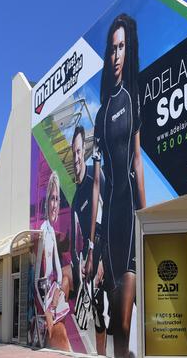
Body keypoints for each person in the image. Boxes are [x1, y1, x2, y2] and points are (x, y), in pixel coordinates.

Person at [87, 13, 146, 358]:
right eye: (112, 49)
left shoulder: (132, 97)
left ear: (128, 50)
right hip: (109, 229)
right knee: (116, 328)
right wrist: (94, 245)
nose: (117, 55)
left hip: (131, 218)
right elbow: (96, 183)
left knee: (125, 322)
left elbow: (136, 162)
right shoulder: (100, 114)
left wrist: (146, 216)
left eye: (122, 47)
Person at [70, 124, 108, 354]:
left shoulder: (96, 176)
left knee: (116, 311)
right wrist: (83, 266)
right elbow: (78, 243)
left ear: (83, 150)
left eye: (78, 152)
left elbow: (109, 217)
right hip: (90, 267)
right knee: (97, 315)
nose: (76, 158)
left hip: (107, 256)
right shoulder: (75, 199)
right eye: (73, 153)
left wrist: (103, 260)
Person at [34, 171, 71, 351]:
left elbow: (57, 269)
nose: (55, 205)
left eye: (57, 199)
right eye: (52, 199)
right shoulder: (43, 232)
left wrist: (57, 293)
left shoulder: (51, 232)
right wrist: (47, 306)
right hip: (45, 296)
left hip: (52, 295)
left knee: (66, 276)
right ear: (46, 201)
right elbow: (38, 277)